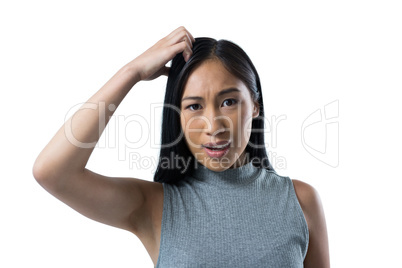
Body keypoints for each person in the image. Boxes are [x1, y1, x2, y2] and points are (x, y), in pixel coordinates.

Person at [33, 26, 330, 267]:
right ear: (177, 115)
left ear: (254, 105)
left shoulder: (300, 201)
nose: (213, 126)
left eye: (229, 102)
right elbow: (51, 172)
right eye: (194, 106)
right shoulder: (155, 206)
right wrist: (132, 72)